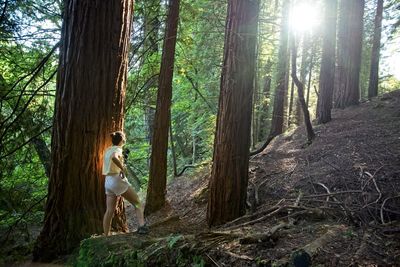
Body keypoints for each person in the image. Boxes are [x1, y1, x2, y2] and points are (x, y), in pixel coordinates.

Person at [102, 131, 148, 235]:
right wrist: (122, 168)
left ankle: (106, 235)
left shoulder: (107, 150)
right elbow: (114, 157)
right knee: (137, 202)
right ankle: (142, 226)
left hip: (108, 182)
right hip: (117, 180)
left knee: (109, 211)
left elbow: (110, 160)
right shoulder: (117, 149)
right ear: (122, 140)